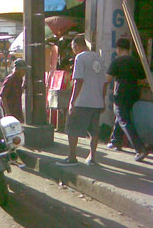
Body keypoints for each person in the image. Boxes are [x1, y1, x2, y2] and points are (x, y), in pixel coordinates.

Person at [56, 36, 106, 167]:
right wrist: (103, 100)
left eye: (73, 48)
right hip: (97, 101)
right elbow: (104, 83)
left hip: (82, 101)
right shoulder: (99, 58)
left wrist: (72, 101)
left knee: (72, 128)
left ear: (76, 46)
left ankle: (72, 157)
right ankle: (92, 157)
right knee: (94, 131)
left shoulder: (80, 58)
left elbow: (78, 80)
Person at [105, 38, 148, 162]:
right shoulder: (135, 61)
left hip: (121, 94)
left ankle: (140, 149)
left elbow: (107, 78)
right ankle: (115, 141)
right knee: (121, 116)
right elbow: (142, 80)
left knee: (123, 119)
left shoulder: (117, 61)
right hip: (133, 95)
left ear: (118, 49)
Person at [0, 58, 27, 123]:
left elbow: (17, 91)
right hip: (10, 109)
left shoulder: (19, 79)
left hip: (17, 109)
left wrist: (23, 87)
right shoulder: (10, 79)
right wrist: (8, 113)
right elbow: (3, 97)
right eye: (23, 70)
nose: (25, 72)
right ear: (18, 69)